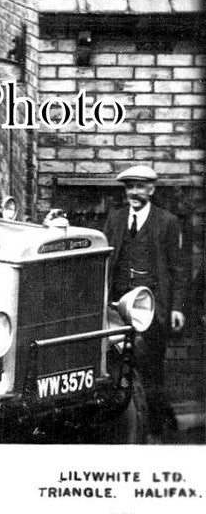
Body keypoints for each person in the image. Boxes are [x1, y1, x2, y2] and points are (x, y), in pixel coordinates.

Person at [102, 165, 188, 443]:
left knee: (151, 368)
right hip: (117, 307)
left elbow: (178, 269)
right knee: (115, 363)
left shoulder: (167, 222)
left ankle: (154, 431)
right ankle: (123, 425)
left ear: (151, 189)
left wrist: (176, 307)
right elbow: (105, 262)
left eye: (140, 187)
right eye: (129, 187)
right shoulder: (115, 219)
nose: (134, 193)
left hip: (151, 309)